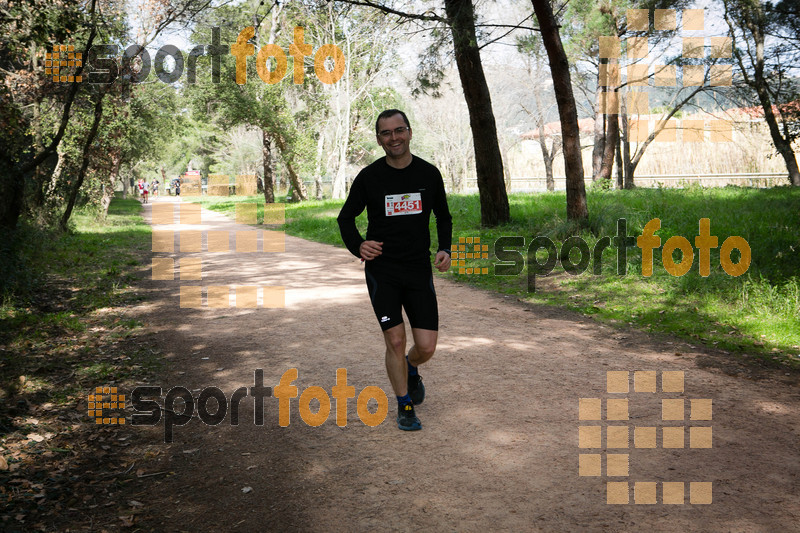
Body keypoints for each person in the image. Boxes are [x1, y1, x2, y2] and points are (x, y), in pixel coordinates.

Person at [337, 109, 452, 431]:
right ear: (379, 139)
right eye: (386, 133)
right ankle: (404, 404)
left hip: (417, 270)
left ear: (410, 132)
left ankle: (411, 369)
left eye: (398, 130)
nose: (394, 138)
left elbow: (443, 216)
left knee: (426, 347)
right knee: (396, 341)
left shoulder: (429, 174)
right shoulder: (369, 177)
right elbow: (345, 218)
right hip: (382, 270)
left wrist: (445, 248)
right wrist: (357, 245)